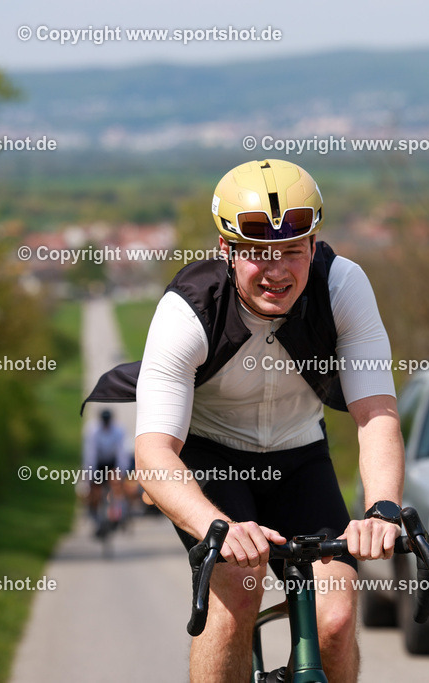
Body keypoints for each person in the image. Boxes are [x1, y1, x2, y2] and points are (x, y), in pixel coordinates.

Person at [83, 159, 404, 682]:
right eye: (258, 253)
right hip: (210, 458)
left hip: (300, 456)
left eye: (292, 250)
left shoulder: (343, 287)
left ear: (314, 244)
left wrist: (383, 509)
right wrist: (219, 528)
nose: (277, 271)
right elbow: (153, 454)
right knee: (236, 592)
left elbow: (377, 415)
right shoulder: (188, 310)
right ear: (226, 250)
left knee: (337, 620)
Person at [81, 409, 127, 536]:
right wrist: (90, 475)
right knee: (95, 491)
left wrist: (121, 472)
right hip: (98, 462)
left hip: (112, 462)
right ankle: (96, 517)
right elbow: (90, 453)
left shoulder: (118, 430)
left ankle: (118, 513)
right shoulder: (92, 430)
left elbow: (121, 452)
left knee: (116, 485)